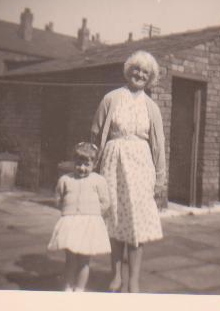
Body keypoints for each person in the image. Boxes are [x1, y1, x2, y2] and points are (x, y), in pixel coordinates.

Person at [91, 50, 166, 293]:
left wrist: (160, 176)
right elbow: (95, 133)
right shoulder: (111, 99)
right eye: (136, 69)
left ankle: (133, 279)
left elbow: (159, 143)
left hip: (141, 167)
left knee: (137, 223)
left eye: (145, 72)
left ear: (150, 77)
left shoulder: (152, 107)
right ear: (128, 70)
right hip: (113, 165)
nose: (140, 74)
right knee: (115, 220)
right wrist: (91, 168)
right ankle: (116, 276)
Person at [48, 142, 111, 292]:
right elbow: (58, 198)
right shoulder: (65, 180)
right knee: (70, 260)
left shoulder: (98, 181)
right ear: (73, 162)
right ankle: (68, 287)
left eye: (86, 164)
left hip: (89, 224)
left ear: (94, 164)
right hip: (70, 223)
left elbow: (105, 202)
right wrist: (66, 210)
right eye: (78, 164)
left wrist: (94, 214)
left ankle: (80, 289)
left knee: (84, 260)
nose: (81, 168)